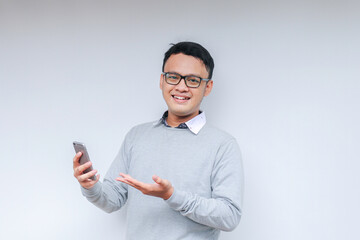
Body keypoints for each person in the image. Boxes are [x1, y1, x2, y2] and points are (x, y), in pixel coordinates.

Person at [73, 41, 244, 239]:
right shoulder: (137, 136)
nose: (181, 87)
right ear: (162, 81)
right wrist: (90, 186)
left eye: (193, 80)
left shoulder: (223, 145)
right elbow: (112, 200)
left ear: (208, 87)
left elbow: (230, 216)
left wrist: (172, 196)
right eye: (173, 77)